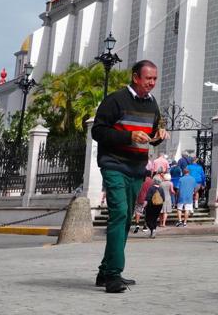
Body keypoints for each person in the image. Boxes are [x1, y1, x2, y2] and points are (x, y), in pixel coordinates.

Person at [90, 59, 167, 293]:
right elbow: (98, 131)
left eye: (154, 79)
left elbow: (152, 132)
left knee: (124, 219)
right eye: (148, 79)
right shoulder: (115, 100)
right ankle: (114, 275)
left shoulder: (152, 104)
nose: (152, 83)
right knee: (120, 214)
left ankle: (105, 272)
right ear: (135, 77)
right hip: (114, 165)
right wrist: (128, 137)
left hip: (136, 169)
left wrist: (160, 135)